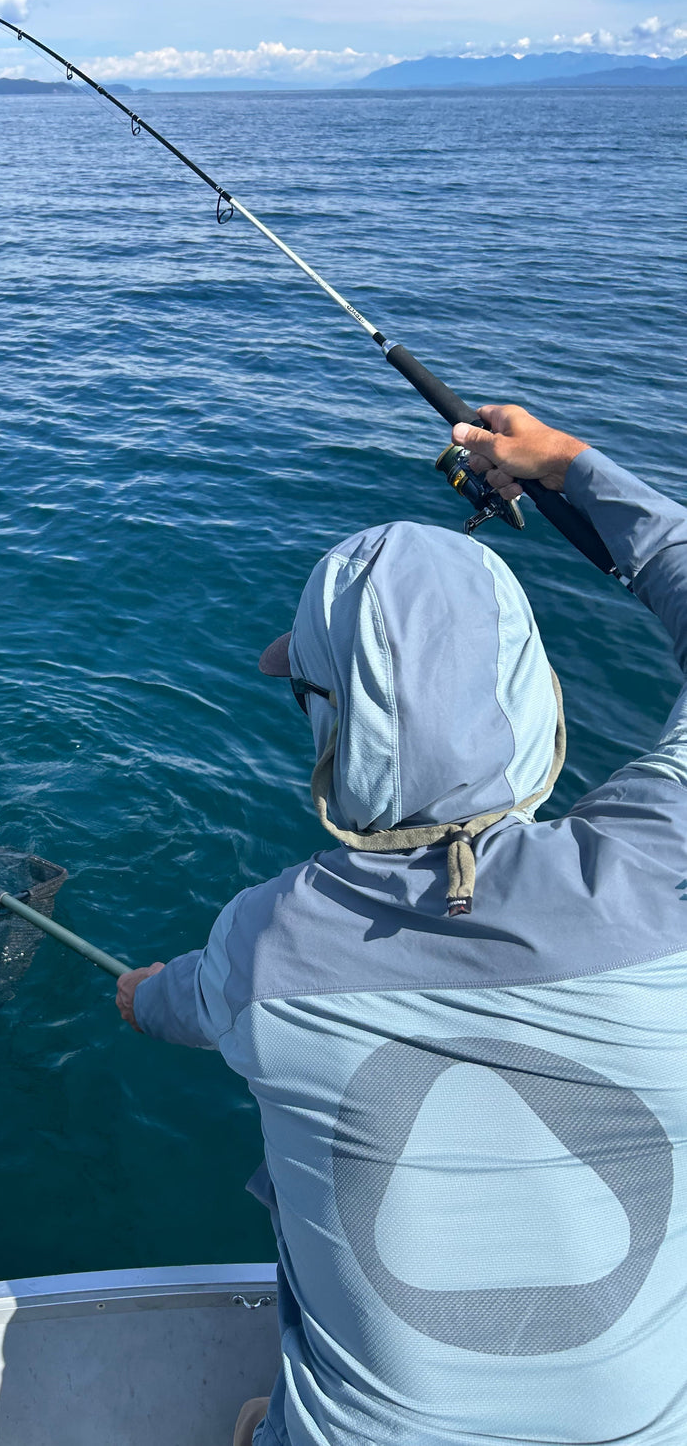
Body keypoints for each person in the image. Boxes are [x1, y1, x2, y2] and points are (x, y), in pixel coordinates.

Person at [116, 405, 687, 1446]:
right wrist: (565, 465)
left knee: (254, 1417)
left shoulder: (256, 948)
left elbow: (158, 1004)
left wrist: (142, 992)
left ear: (327, 729)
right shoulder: (662, 873)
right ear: (529, 690)